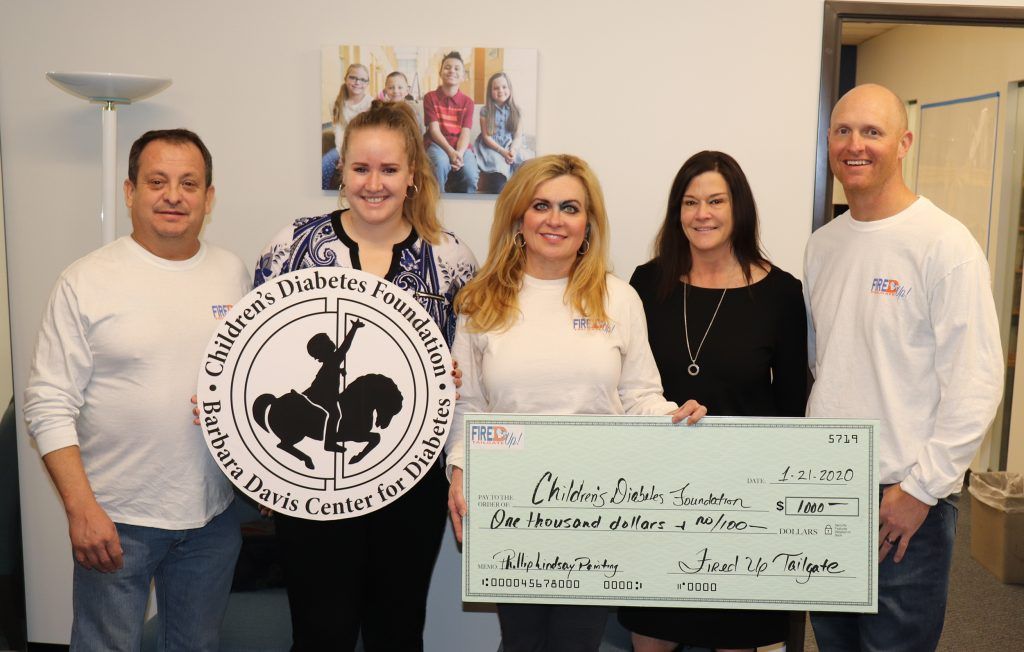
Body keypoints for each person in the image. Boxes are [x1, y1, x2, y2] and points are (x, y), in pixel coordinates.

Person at [444, 154, 707, 652]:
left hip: (596, 503)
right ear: (519, 217)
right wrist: (460, 469)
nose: (555, 219)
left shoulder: (618, 298)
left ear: (588, 223)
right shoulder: (480, 301)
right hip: (510, 501)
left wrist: (675, 417)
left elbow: (637, 395)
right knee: (521, 643)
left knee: (577, 643)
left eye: (570, 207)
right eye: (541, 205)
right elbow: (469, 406)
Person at [255, 99, 477, 651]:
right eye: (360, 168)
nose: (373, 183)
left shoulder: (450, 259)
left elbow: (471, 367)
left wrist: (453, 373)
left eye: (388, 169)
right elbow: (254, 355)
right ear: (341, 172)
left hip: (411, 482)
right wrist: (256, 457)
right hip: (309, 483)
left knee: (397, 631)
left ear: (413, 178)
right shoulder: (293, 247)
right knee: (319, 632)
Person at [23, 129, 250, 651]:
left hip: (212, 517)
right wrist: (82, 510)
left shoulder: (231, 273)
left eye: (189, 183)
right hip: (116, 519)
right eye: (157, 181)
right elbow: (48, 403)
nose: (174, 195)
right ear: (130, 192)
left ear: (209, 197)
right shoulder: (85, 281)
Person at [805, 83, 1003, 651]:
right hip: (828, 497)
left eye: (872, 131)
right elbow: (828, 366)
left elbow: (977, 381)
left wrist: (920, 491)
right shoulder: (823, 246)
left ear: (904, 142)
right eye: (843, 131)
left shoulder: (944, 244)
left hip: (905, 505)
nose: (855, 145)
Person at [616, 151, 808, 652]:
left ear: (738, 208)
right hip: (655, 501)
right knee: (653, 638)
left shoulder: (782, 294)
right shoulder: (644, 284)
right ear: (677, 212)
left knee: (735, 639)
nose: (702, 213)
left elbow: (793, 409)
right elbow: (621, 387)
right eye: (690, 202)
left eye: (716, 201)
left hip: (743, 505)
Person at [423, 51, 480, 193]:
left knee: (471, 175)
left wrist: (459, 154)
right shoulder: (430, 97)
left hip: (461, 147)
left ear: (463, 76)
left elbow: (465, 133)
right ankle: (436, 206)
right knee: (440, 164)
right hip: (438, 144)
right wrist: (450, 153)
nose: (452, 71)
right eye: (447, 67)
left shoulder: (468, 102)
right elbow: (434, 131)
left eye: (457, 68)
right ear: (440, 72)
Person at [323, 63, 374, 190]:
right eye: (353, 78)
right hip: (342, 146)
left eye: (363, 79)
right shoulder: (335, 104)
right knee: (325, 164)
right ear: (345, 79)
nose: (357, 82)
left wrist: (351, 155)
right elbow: (339, 132)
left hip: (365, 147)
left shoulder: (372, 104)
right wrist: (342, 155)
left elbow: (371, 134)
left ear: (367, 83)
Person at [475, 71, 525, 193]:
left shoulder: (517, 111)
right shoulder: (485, 111)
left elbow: (518, 137)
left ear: (510, 89)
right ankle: (499, 191)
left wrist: (512, 150)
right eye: (496, 88)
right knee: (499, 165)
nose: (501, 90)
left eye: (504, 87)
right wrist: (502, 152)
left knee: (522, 161)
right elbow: (486, 137)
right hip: (491, 147)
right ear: (490, 92)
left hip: (510, 145)